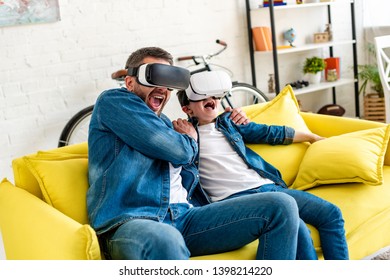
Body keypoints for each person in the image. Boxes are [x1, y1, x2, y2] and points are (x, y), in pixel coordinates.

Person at [87, 46, 303, 260]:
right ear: (130, 82)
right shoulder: (114, 102)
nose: (163, 87)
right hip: (135, 221)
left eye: (169, 82)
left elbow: (189, 164)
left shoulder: (166, 124)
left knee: (281, 205)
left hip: (186, 217)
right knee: (166, 239)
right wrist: (190, 139)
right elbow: (180, 151)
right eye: (154, 77)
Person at [175, 71, 349, 260]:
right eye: (202, 97)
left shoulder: (230, 123)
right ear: (187, 109)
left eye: (214, 96)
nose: (210, 99)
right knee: (298, 227)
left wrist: (311, 137)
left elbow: (268, 133)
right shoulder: (183, 136)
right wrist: (188, 138)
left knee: (332, 214)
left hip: (268, 188)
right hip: (237, 201)